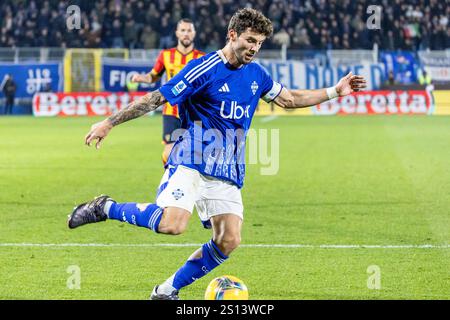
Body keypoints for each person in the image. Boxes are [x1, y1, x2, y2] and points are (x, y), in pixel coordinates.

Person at [67, 8, 366, 300]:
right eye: (250, 40)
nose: (254, 48)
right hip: (192, 159)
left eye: (260, 43)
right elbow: (157, 97)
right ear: (232, 34)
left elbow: (289, 99)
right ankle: (105, 208)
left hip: (228, 168)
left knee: (229, 240)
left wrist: (334, 91)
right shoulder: (205, 68)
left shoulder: (256, 74)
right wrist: (109, 122)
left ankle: (166, 290)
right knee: (173, 225)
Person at [131, 18, 204, 165]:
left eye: (189, 30)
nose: (186, 34)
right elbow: (153, 76)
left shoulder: (202, 58)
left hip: (194, 112)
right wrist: (141, 78)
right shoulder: (166, 55)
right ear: (177, 33)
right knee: (169, 151)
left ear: (194, 33)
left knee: (195, 155)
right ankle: (170, 180)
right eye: (183, 30)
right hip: (171, 110)